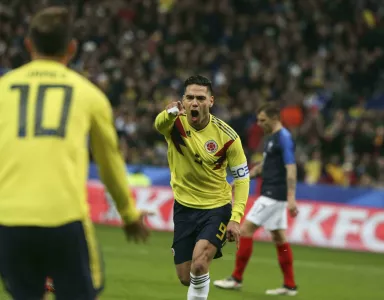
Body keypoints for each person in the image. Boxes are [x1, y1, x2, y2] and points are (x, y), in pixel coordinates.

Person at [0, 7, 150, 300]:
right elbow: (109, 164)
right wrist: (129, 215)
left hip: (8, 221)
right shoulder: (89, 95)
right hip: (64, 220)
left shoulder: (2, 89)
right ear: (72, 48)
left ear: (28, 44)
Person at [154, 75, 250, 300]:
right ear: (182, 101)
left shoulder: (228, 138)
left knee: (199, 264)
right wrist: (167, 112)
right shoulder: (174, 123)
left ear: (211, 101)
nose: (194, 103)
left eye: (200, 98)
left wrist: (236, 218)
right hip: (184, 208)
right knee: (186, 276)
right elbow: (159, 125)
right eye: (189, 98)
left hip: (216, 207)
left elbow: (242, 179)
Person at [213, 102, 299, 296]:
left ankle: (236, 278)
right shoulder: (271, 139)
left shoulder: (284, 137)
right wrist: (241, 179)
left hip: (273, 195)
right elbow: (263, 167)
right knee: (279, 238)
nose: (259, 124)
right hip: (271, 193)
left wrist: (291, 197)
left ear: (275, 118)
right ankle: (289, 285)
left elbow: (291, 167)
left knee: (244, 230)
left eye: (263, 120)